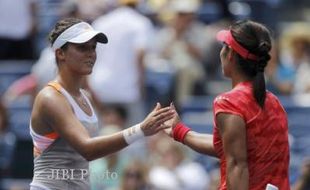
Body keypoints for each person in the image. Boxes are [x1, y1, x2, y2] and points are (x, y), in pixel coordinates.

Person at [29, 18, 174, 190]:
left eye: (93, 47)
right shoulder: (50, 97)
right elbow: (87, 149)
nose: (91, 53)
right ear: (60, 53)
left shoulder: (86, 97)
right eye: (82, 47)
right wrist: (140, 129)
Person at [164, 20, 290, 190]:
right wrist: (179, 131)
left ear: (229, 53)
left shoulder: (229, 103)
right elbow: (228, 148)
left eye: (223, 47)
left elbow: (237, 165)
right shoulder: (274, 101)